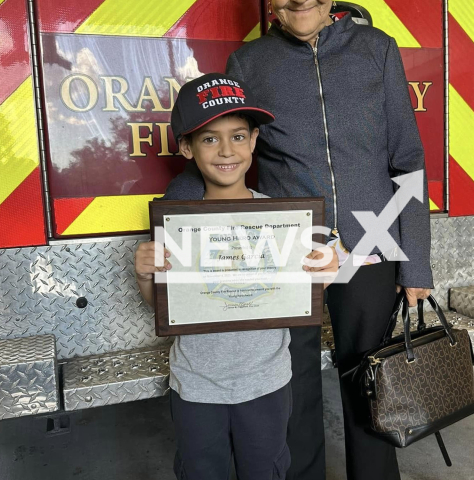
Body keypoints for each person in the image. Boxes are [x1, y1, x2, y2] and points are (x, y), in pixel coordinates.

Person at [163, 2, 434, 479]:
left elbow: (407, 158)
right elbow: (221, 152)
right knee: (295, 385)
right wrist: (175, 222)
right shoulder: (250, 63)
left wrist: (416, 263)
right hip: (288, 253)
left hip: (372, 245)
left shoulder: (377, 49)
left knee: (371, 382)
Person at [134, 72, 338, 480]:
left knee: (266, 470)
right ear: (188, 148)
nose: (227, 150)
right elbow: (160, 305)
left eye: (239, 136)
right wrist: (144, 274)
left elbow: (303, 291)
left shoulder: (286, 223)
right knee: (200, 471)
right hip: (195, 384)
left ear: (254, 142)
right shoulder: (175, 225)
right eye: (210, 139)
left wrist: (325, 275)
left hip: (267, 383)